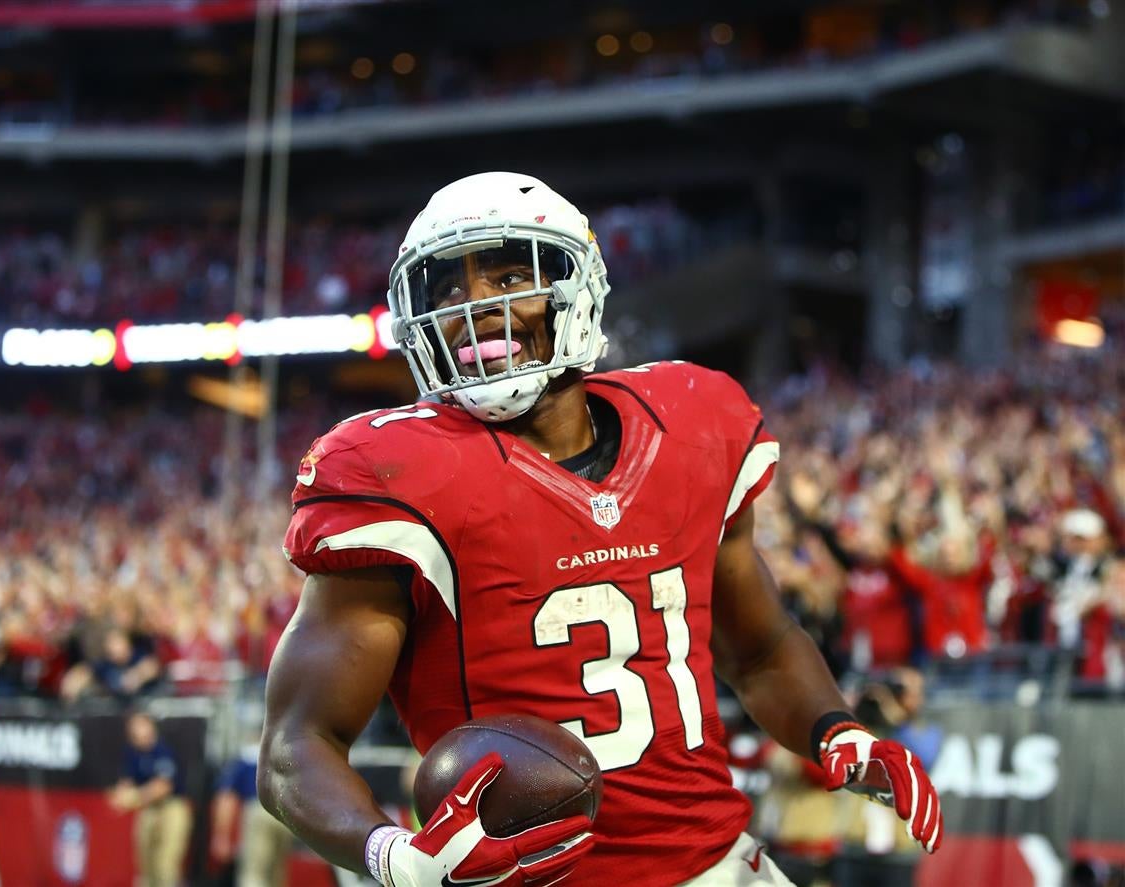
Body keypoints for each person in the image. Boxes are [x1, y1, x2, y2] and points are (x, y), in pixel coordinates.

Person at [259, 172, 943, 887]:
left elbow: (762, 646)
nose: (475, 308)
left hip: (714, 866)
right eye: (449, 290)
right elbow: (294, 743)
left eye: (505, 275)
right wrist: (392, 856)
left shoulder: (691, 423)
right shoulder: (393, 471)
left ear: (574, 288)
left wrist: (836, 728)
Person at [108, 711, 192, 887]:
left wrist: (135, 797)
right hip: (149, 809)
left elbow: (164, 787)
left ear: (150, 727)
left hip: (171, 807)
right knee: (145, 867)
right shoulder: (132, 752)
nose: (136, 732)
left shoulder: (163, 750)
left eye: (140, 726)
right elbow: (126, 782)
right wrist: (120, 795)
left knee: (166, 867)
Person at [211, 729, 293, 887]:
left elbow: (226, 798)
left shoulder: (245, 758)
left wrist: (221, 835)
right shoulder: (285, 756)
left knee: (253, 872)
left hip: (259, 809)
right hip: (286, 814)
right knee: (277, 872)